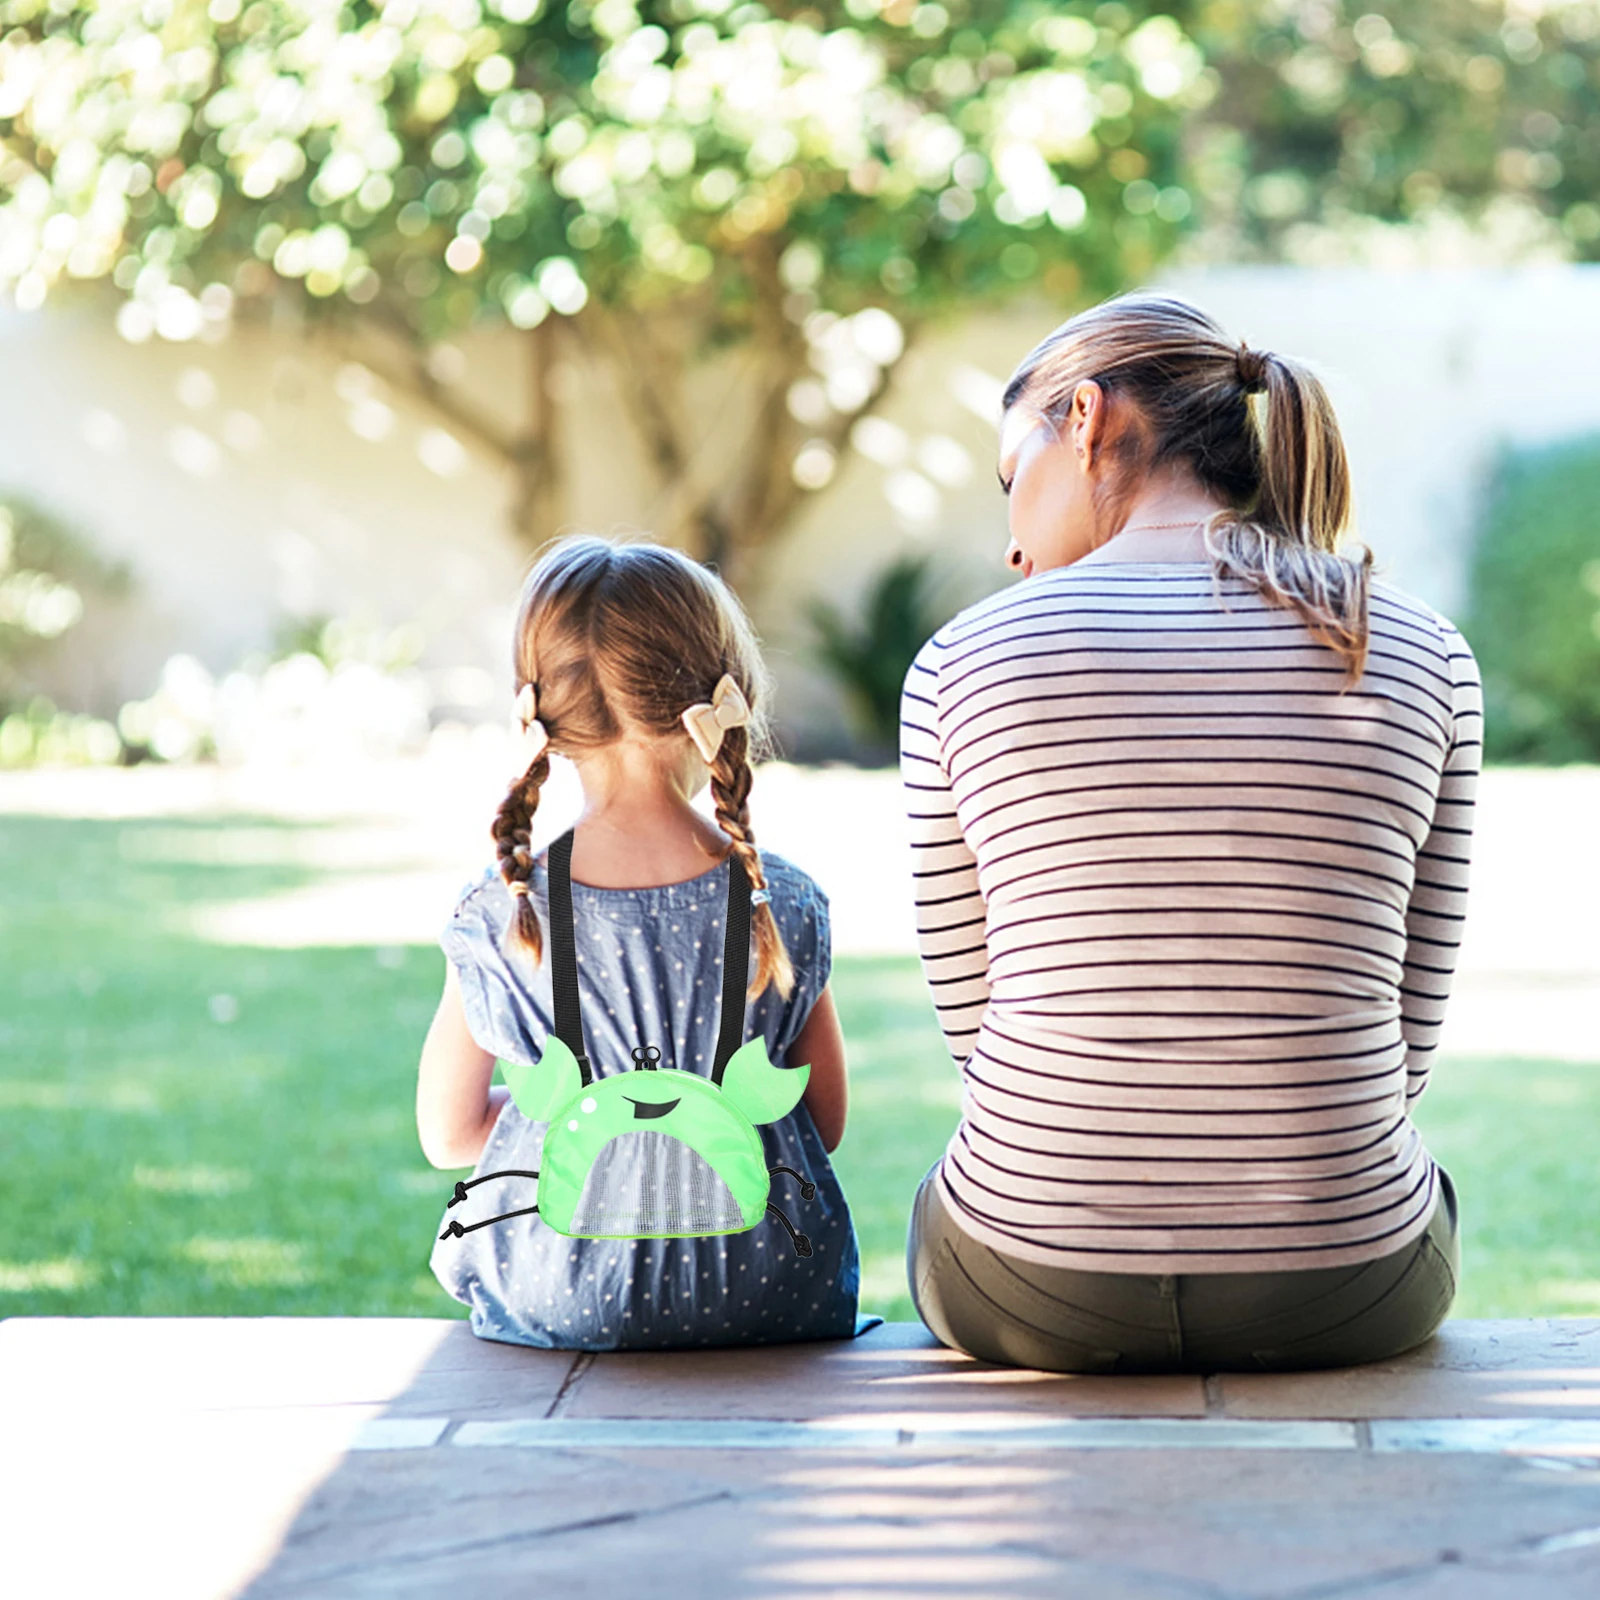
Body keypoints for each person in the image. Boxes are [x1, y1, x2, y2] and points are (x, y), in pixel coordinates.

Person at [899, 291, 1481, 1373]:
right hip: (1344, 1283)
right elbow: (1406, 1033)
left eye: (1007, 477)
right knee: (1420, 1187)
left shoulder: (961, 661)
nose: (1010, 540)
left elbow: (977, 1032)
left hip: (1032, 1282)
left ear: (1083, 419)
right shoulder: (1417, 648)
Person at [418, 534, 864, 1350]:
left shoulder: (501, 911)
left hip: (560, 1298)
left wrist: (575, 1118)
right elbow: (823, 1121)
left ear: (541, 715)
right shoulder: (782, 901)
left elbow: (448, 1136)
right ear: (721, 695)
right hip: (769, 1298)